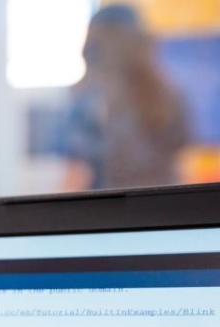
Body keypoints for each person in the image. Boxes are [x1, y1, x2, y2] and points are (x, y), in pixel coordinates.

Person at [61, 4, 189, 192]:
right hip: (165, 209)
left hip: (112, 215)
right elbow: (177, 165)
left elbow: (77, 176)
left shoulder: (89, 99)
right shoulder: (169, 95)